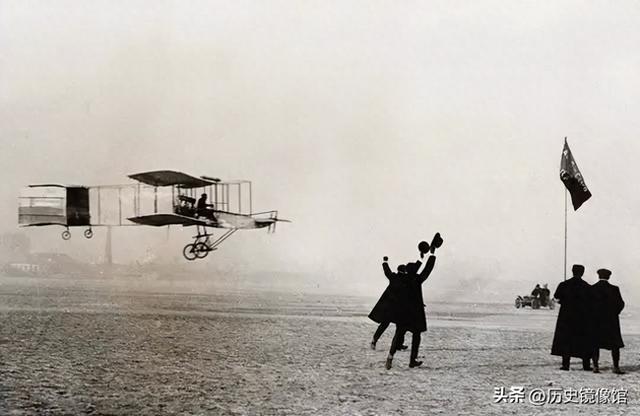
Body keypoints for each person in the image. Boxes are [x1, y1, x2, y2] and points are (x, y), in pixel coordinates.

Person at [386, 249, 437, 369]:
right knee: (416, 337)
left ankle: (390, 357)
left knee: (398, 335)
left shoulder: (402, 279)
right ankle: (412, 360)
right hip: (415, 314)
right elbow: (428, 269)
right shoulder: (417, 279)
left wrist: (422, 256)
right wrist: (432, 254)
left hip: (402, 313)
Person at [551, 264, 594, 371]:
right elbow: (591, 301)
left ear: (572, 271)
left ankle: (566, 365)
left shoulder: (564, 284)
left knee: (566, 340)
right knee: (583, 340)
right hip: (582, 317)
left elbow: (556, 297)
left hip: (566, 317)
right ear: (582, 273)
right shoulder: (587, 286)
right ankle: (586, 365)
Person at [591, 269, 625, 374]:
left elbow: (587, 304)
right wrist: (614, 313)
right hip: (611, 321)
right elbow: (621, 304)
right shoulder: (614, 289)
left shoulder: (592, 288)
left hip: (596, 321)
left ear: (598, 276)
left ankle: (595, 366)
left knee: (595, 343)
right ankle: (616, 367)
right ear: (609, 277)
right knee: (615, 345)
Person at [368, 258, 407, 350]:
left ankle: (374, 341)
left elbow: (387, 271)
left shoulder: (394, 277)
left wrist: (385, 262)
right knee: (400, 326)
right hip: (397, 307)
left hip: (390, 307)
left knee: (384, 325)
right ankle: (398, 344)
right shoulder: (405, 280)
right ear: (404, 271)